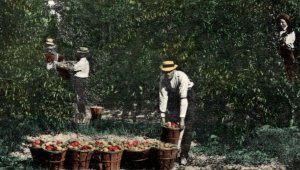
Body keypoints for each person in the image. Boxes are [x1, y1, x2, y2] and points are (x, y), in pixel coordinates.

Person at [159, 60, 196, 165]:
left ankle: (184, 155)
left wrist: (182, 119)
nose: (167, 74)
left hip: (188, 95)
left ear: (174, 70)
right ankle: (168, 152)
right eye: (165, 72)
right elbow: (163, 97)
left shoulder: (182, 77)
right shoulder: (163, 80)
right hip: (174, 96)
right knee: (171, 125)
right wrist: (162, 116)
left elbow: (183, 98)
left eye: (169, 71)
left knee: (186, 126)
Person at [56, 47, 90, 123]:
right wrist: (67, 62)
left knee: (79, 97)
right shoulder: (83, 61)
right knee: (80, 97)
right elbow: (74, 63)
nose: (80, 54)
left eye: (81, 53)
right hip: (81, 80)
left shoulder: (82, 62)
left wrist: (60, 65)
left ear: (83, 54)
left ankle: (82, 114)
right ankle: (82, 114)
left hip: (80, 80)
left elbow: (72, 68)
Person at [277, 12, 296, 81]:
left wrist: (283, 39)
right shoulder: (281, 32)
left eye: (282, 22)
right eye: (280, 22)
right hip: (282, 52)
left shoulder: (291, 32)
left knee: (290, 70)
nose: (281, 24)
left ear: (286, 22)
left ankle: (291, 83)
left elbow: (287, 42)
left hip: (288, 52)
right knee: (282, 69)